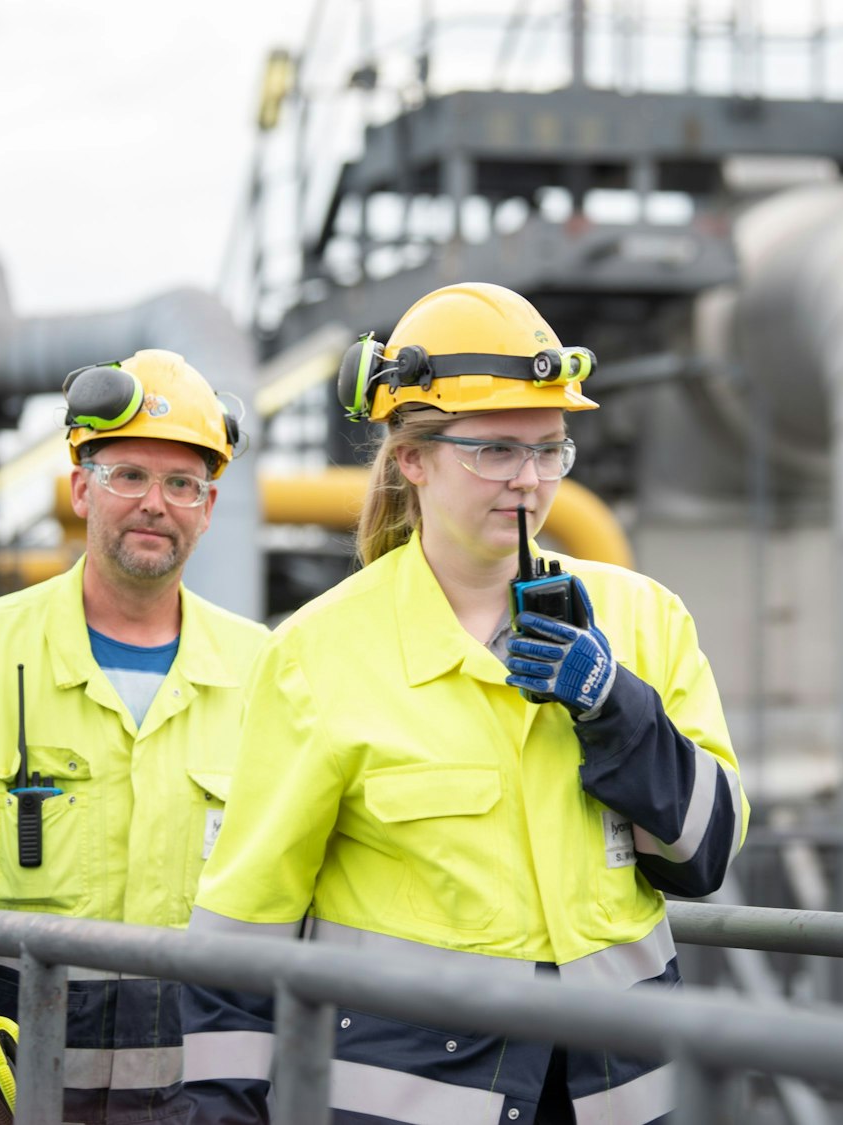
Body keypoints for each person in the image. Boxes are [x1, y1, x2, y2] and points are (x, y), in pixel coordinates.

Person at [178, 283, 747, 1124]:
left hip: (626, 1095)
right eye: (494, 450)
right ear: (411, 457)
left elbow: (707, 856)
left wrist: (613, 707)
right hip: (413, 1102)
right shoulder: (319, 653)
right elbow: (241, 932)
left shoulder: (644, 619)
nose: (528, 480)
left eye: (550, 449)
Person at [0, 349, 269, 1125]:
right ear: (81, 487)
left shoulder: (266, 671)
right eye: (129, 475)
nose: (156, 502)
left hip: (192, 1099)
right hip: (1, 1089)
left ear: (209, 506)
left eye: (182, 483)